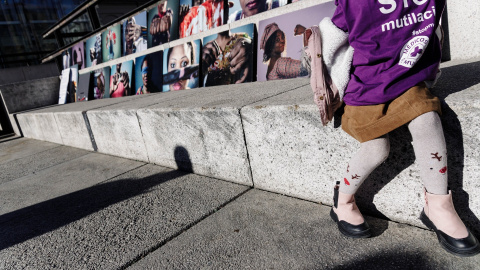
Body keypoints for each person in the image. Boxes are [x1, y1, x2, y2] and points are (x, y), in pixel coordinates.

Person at [324, 0, 479, 256]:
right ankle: (343, 199)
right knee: (376, 148)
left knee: (427, 118)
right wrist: (330, 85)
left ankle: (438, 205)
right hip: (364, 87)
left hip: (408, 80)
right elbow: (331, 37)